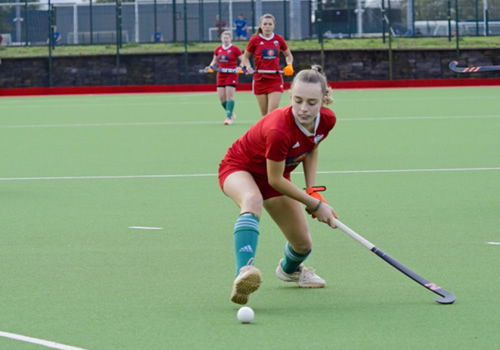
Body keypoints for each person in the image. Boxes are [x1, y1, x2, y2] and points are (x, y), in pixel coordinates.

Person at [218, 65, 338, 305]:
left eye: (312, 102)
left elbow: (312, 146)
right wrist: (314, 204)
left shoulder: (327, 120)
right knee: (252, 200)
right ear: (290, 94)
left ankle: (290, 270)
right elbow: (275, 180)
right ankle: (243, 273)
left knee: (303, 245)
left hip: (277, 175)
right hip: (240, 168)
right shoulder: (279, 129)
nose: (304, 109)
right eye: (298, 100)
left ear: (324, 100)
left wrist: (312, 189)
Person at [240, 13, 294, 117]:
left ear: (274, 26)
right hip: (260, 80)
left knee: (272, 114)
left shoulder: (279, 39)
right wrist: (248, 67)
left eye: (270, 24)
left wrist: (289, 65)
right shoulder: (254, 40)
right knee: (265, 116)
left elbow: (289, 55)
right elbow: (245, 57)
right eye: (265, 24)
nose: (267, 27)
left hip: (275, 79)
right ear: (260, 25)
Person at [205, 30, 244, 125]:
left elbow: (243, 60)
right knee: (222, 98)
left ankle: (228, 117)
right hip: (221, 75)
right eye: (224, 38)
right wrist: (210, 67)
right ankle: (231, 113)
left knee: (229, 95)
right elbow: (214, 61)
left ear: (230, 39)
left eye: (227, 38)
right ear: (221, 39)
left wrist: (240, 67)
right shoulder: (218, 49)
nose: (226, 40)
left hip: (231, 74)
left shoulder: (235, 49)